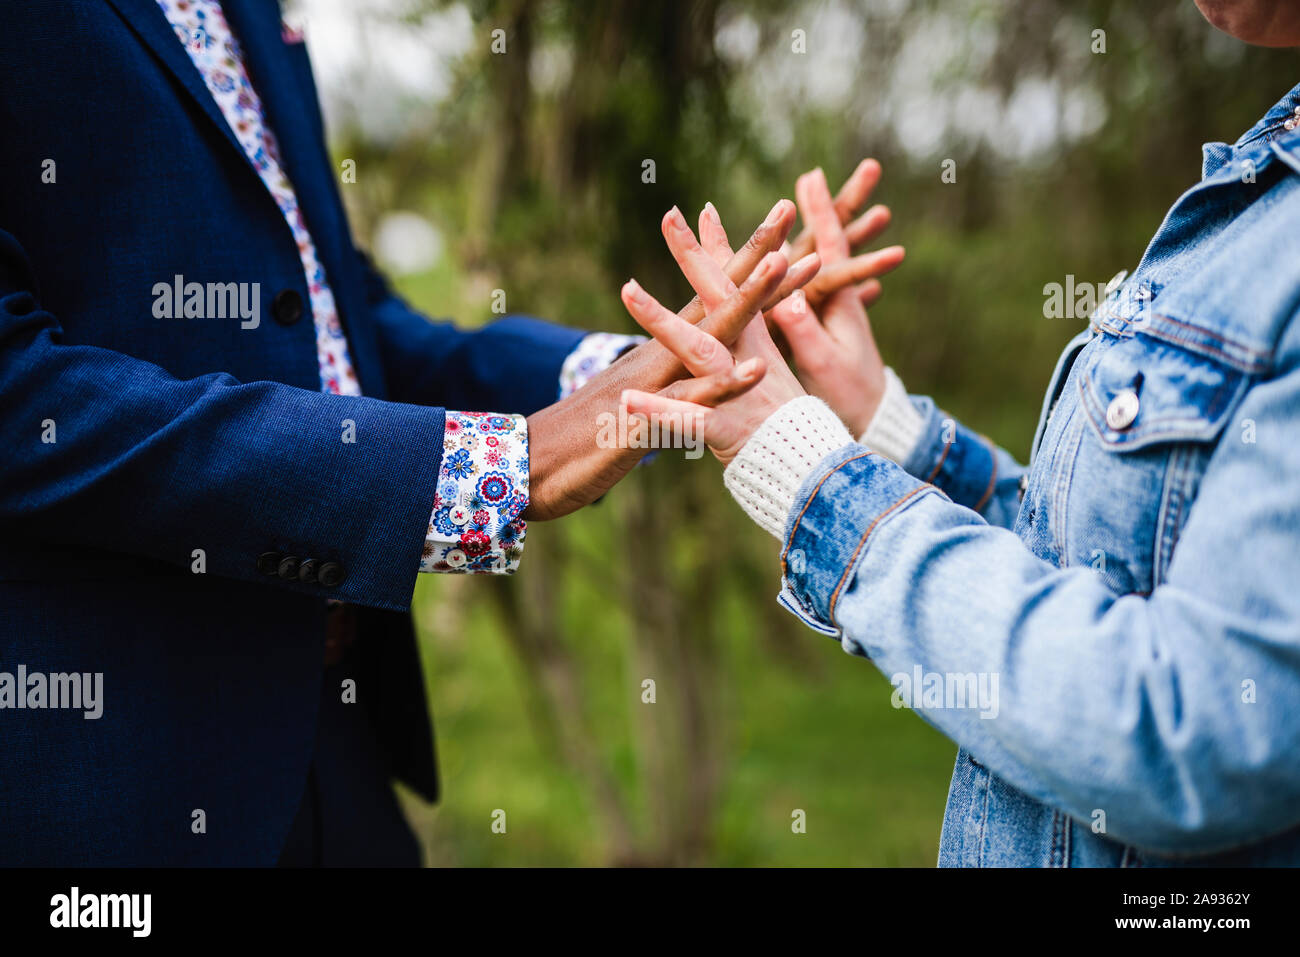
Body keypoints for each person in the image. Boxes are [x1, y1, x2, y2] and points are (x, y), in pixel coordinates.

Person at [0, 0, 905, 865]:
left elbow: (343, 320)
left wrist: (695, 345)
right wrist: (493, 471)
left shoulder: (251, 20)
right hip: (115, 777)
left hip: (341, 743)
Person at [622, 1, 1300, 866]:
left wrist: (812, 476)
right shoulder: (1263, 178)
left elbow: (1192, 732)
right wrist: (880, 422)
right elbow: (1120, 564)